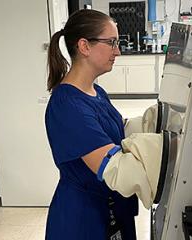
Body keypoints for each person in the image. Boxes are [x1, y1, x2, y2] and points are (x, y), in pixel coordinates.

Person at [44, 9, 138, 240]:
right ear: (84, 46)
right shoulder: (67, 106)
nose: (117, 51)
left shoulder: (96, 92)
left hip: (110, 209)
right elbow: (112, 168)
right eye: (111, 42)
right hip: (84, 219)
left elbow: (113, 133)